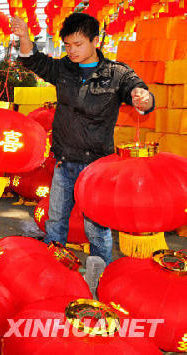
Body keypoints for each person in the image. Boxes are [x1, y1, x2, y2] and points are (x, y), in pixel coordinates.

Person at [11, 13, 154, 271]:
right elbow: (35, 60)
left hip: (97, 167)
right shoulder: (64, 68)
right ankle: (52, 271)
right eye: (67, 45)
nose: (72, 51)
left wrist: (142, 98)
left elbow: (138, 89)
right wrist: (23, 37)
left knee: (97, 227)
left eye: (78, 45)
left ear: (95, 41)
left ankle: (101, 275)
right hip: (65, 160)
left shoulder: (117, 74)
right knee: (55, 222)